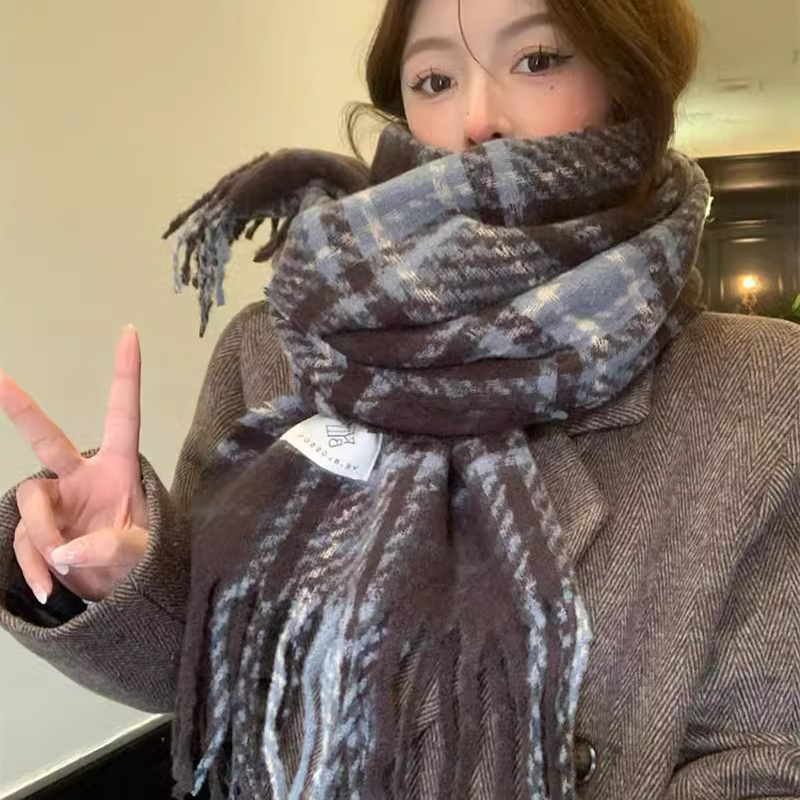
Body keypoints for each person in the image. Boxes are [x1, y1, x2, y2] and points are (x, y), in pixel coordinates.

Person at [1, 0, 798, 798]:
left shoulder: (757, 390)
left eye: (538, 60)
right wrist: (116, 575)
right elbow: (214, 680)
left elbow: (762, 760)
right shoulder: (276, 352)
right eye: (435, 79)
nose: (477, 119)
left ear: (628, 82)